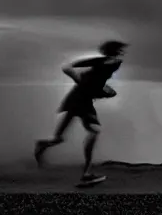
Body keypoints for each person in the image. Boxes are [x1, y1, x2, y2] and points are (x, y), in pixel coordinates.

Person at [34, 40, 128, 185]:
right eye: (120, 50)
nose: (122, 54)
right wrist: (81, 81)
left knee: (59, 138)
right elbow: (67, 68)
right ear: (114, 51)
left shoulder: (106, 63)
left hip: (79, 99)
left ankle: (42, 145)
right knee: (94, 131)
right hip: (81, 100)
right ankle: (87, 174)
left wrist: (100, 90)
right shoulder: (106, 62)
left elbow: (97, 82)